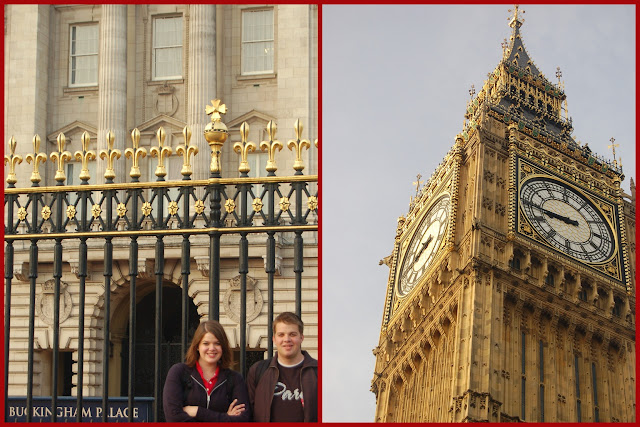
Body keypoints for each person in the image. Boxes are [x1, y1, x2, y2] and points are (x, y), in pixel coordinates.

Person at [163, 320, 251, 422]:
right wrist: (225, 418)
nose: (212, 348)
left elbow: (242, 420)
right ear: (197, 346)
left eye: (217, 343)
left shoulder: (235, 379)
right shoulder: (178, 372)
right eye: (206, 343)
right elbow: (173, 417)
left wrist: (197, 411)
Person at [247, 312, 318, 422]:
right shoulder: (258, 371)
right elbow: (248, 414)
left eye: (292, 334)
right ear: (274, 339)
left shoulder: (318, 372)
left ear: (301, 338)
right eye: (281, 335)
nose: (287, 339)